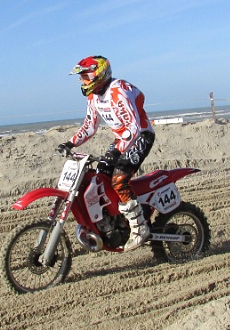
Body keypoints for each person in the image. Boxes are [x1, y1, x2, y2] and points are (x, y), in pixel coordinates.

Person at [58, 55, 156, 251]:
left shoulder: (118, 91)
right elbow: (89, 126)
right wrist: (70, 143)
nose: (82, 81)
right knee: (100, 174)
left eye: (85, 77)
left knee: (119, 179)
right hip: (122, 139)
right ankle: (116, 220)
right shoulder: (94, 96)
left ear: (98, 74)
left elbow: (134, 126)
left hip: (141, 136)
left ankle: (139, 227)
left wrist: (119, 149)